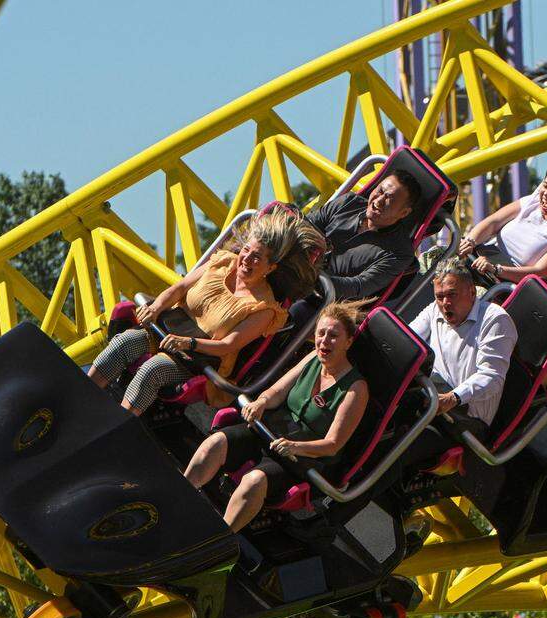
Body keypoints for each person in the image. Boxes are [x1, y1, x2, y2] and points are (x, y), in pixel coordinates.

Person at [88, 209, 323, 414]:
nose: (246, 260)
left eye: (256, 257)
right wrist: (156, 307)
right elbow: (180, 288)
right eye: (247, 251)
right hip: (167, 330)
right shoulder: (222, 262)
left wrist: (187, 343)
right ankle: (82, 395)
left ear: (270, 268)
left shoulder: (265, 309)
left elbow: (228, 345)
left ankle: (117, 422)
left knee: (153, 369)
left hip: (198, 359)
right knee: (124, 341)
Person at [184, 303, 369, 531]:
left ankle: (219, 539)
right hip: (272, 433)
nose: (324, 341)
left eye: (333, 336)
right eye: (321, 333)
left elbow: (332, 445)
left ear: (348, 342)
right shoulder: (313, 358)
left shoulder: (356, 389)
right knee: (216, 442)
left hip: (304, 458)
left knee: (254, 482)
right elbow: (277, 392)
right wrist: (261, 402)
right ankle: (180, 499)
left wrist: (295, 447)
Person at [399, 256, 517, 466]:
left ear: (471, 292)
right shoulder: (435, 308)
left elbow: (492, 377)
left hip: (464, 420)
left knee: (398, 446)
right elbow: (406, 340)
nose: (445, 304)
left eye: (452, 295)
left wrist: (453, 398)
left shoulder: (495, 320)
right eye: (440, 296)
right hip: (430, 395)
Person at [286, 170, 423, 325]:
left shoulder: (399, 253)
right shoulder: (347, 203)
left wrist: (314, 278)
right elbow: (307, 226)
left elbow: (359, 286)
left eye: (389, 199)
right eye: (380, 191)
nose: (379, 200)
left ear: (404, 213)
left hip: (325, 302)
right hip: (294, 271)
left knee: (296, 311)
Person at [458, 163, 547, 286]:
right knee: (442, 258)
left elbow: (540, 273)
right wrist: (470, 241)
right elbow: (493, 222)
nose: (546, 193)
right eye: (545, 185)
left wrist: (496, 269)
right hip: (482, 260)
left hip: (504, 284)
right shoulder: (531, 203)